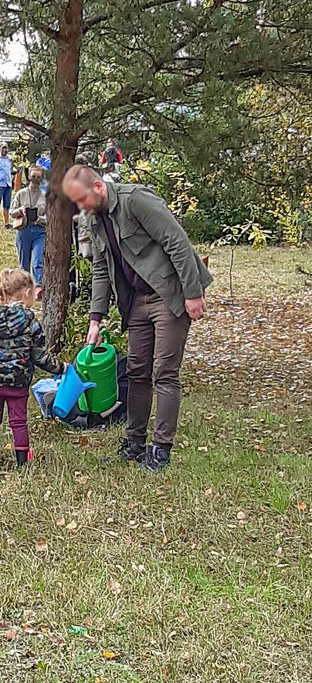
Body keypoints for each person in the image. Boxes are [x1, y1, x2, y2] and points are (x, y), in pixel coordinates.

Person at [62, 164, 213, 472]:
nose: (81, 208)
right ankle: (134, 444)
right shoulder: (94, 220)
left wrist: (193, 293)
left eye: (82, 200)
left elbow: (177, 242)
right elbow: (101, 269)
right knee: (136, 372)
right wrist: (95, 319)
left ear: (98, 187)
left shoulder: (136, 200)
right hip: (135, 302)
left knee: (164, 373)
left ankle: (161, 450)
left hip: (168, 294)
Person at [0, 268, 68, 469]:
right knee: (19, 421)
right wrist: (61, 368)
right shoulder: (30, 322)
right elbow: (40, 356)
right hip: (18, 381)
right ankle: (22, 462)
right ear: (28, 292)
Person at [10, 164, 48, 285]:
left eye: (38, 177)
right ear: (29, 177)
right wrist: (20, 210)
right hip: (23, 230)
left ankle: (38, 287)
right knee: (24, 264)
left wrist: (40, 219)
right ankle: (24, 287)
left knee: (38, 262)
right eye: (33, 176)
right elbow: (11, 212)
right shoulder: (21, 194)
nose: (35, 179)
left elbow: (50, 218)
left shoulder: (46, 197)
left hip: (39, 231)